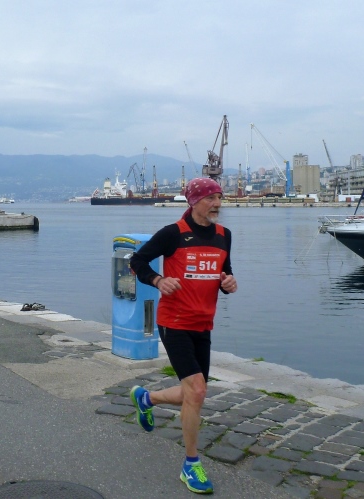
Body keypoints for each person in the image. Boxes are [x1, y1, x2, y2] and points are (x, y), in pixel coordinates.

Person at [128, 177, 237, 495]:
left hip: (203, 324)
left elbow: (224, 272)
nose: (217, 204)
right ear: (193, 201)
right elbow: (137, 261)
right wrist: (158, 280)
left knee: (194, 394)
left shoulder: (224, 235)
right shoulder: (172, 233)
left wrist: (228, 283)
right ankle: (191, 464)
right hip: (174, 322)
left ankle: (146, 399)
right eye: (210, 198)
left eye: (219, 197)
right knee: (198, 390)